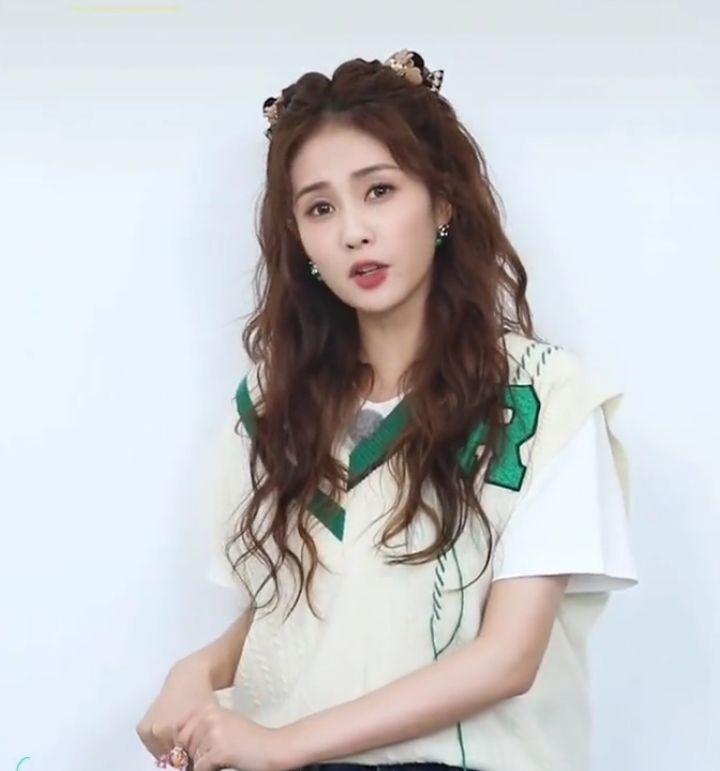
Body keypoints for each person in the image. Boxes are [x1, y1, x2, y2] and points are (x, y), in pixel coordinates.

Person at [137, 48, 638, 771]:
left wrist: (283, 746)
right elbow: (307, 615)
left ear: (443, 202)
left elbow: (507, 659)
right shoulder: (270, 408)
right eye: (320, 208)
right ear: (300, 239)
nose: (353, 232)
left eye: (379, 191)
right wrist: (200, 670)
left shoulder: (543, 397)